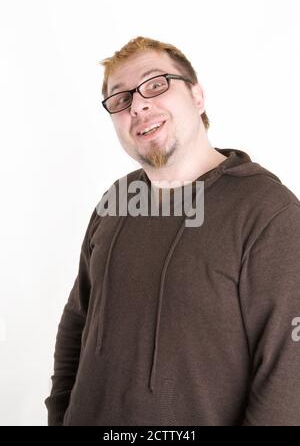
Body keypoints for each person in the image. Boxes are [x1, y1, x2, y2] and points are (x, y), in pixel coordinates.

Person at [45, 36, 300, 426]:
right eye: (120, 99)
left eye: (156, 84)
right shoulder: (117, 200)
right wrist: (60, 414)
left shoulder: (268, 211)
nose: (139, 105)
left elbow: (288, 370)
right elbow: (78, 318)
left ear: (197, 96)